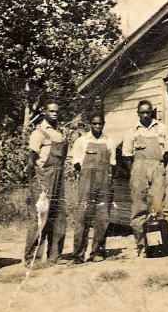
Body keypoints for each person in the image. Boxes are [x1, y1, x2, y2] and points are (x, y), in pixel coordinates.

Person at [123, 100, 168, 257]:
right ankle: (141, 245)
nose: (145, 115)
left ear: (152, 112)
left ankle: (156, 246)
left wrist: (160, 168)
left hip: (157, 167)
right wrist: (134, 173)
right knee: (139, 208)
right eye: (142, 112)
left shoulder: (162, 128)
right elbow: (127, 155)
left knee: (156, 206)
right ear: (138, 113)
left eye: (148, 112)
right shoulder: (132, 131)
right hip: (138, 168)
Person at [69, 112, 116, 264]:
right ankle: (78, 254)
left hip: (104, 182)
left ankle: (97, 252)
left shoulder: (110, 142)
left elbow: (112, 164)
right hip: (87, 182)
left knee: (102, 217)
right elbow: (76, 165)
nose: (97, 126)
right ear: (90, 124)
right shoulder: (81, 142)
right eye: (94, 123)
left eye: (100, 123)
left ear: (103, 124)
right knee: (82, 216)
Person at [24, 101, 68, 267]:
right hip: (44, 178)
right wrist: (32, 184)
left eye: (57, 111)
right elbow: (31, 160)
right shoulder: (38, 133)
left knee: (59, 216)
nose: (55, 113)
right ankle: (31, 258)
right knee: (40, 217)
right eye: (51, 111)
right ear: (44, 112)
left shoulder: (62, 132)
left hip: (59, 177)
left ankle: (54, 256)